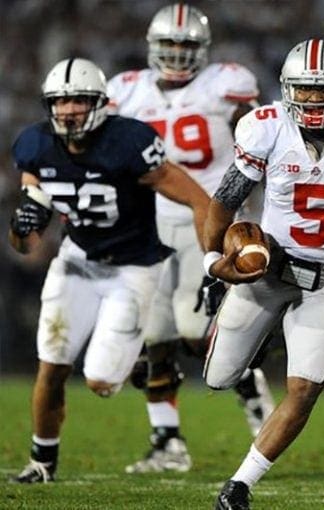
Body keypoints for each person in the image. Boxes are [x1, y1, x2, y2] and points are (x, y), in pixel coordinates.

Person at [201, 38, 324, 509]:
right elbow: (224, 202)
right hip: (267, 266)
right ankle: (263, 336)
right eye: (304, 90)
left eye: (323, 89)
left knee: (305, 388)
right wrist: (214, 264)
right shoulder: (265, 129)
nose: (312, 99)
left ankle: (240, 485)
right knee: (217, 378)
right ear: (287, 89)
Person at [8, 57, 210, 483]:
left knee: (100, 382)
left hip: (133, 269)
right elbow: (24, 239)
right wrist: (22, 224)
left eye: (79, 100)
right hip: (77, 262)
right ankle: (42, 462)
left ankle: (132, 358)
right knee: (52, 362)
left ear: (100, 103)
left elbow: (198, 199)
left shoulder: (129, 142)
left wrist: (211, 260)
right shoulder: (34, 144)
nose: (69, 111)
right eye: (60, 102)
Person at [107, 3, 274, 474]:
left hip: (208, 217)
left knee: (194, 327)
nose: (178, 54)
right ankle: (167, 443)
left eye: (186, 45)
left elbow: (260, 137)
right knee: (152, 333)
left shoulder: (226, 85)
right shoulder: (126, 90)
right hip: (148, 222)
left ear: (202, 50)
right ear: (152, 47)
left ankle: (252, 394)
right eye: (171, 45)